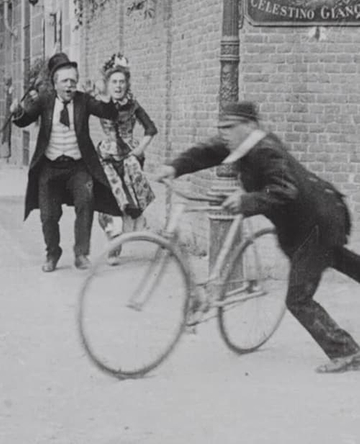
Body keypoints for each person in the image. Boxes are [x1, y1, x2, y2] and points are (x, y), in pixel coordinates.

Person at [156, 101, 360, 373]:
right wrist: (175, 168)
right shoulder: (240, 145)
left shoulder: (265, 150)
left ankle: (348, 352)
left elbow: (285, 190)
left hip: (318, 224)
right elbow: (205, 153)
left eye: (229, 127)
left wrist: (246, 201)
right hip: (308, 222)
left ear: (249, 126)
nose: (224, 133)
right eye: (221, 127)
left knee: (297, 299)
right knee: (337, 260)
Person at [10, 52, 121, 272]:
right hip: (49, 167)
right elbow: (25, 119)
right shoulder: (44, 100)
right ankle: (52, 253)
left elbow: (108, 113)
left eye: (73, 81)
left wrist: (106, 96)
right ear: (55, 83)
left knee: (86, 201)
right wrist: (16, 112)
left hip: (78, 166)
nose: (70, 86)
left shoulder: (84, 101)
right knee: (48, 215)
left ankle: (81, 254)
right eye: (65, 81)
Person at [96, 54, 157, 265]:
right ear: (107, 83)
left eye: (122, 82)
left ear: (127, 83)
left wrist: (139, 149)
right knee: (109, 200)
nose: (118, 86)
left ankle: (122, 237)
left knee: (128, 200)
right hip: (106, 156)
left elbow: (151, 128)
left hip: (129, 158)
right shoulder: (100, 103)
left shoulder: (133, 105)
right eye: (114, 81)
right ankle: (114, 245)